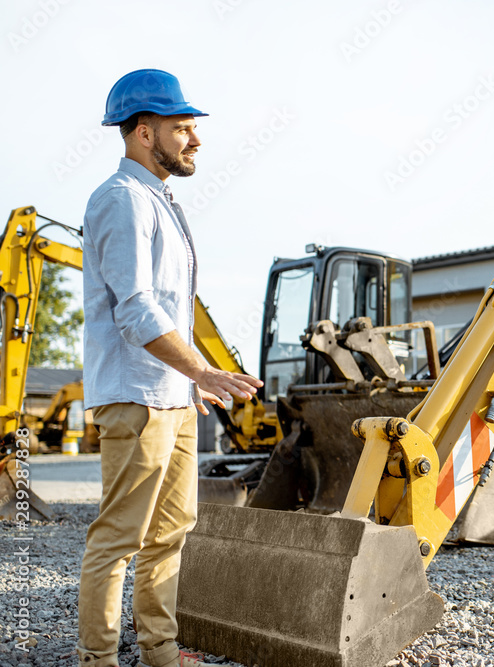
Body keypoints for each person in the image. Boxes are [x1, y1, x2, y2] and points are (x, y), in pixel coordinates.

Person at [77, 69, 263, 667]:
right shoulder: (121, 199)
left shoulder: (159, 201)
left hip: (172, 397)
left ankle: (158, 650)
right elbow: (134, 309)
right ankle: (97, 658)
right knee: (119, 539)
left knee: (170, 532)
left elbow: (167, 312)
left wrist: (192, 383)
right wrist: (204, 372)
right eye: (182, 128)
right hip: (135, 395)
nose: (196, 140)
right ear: (141, 131)